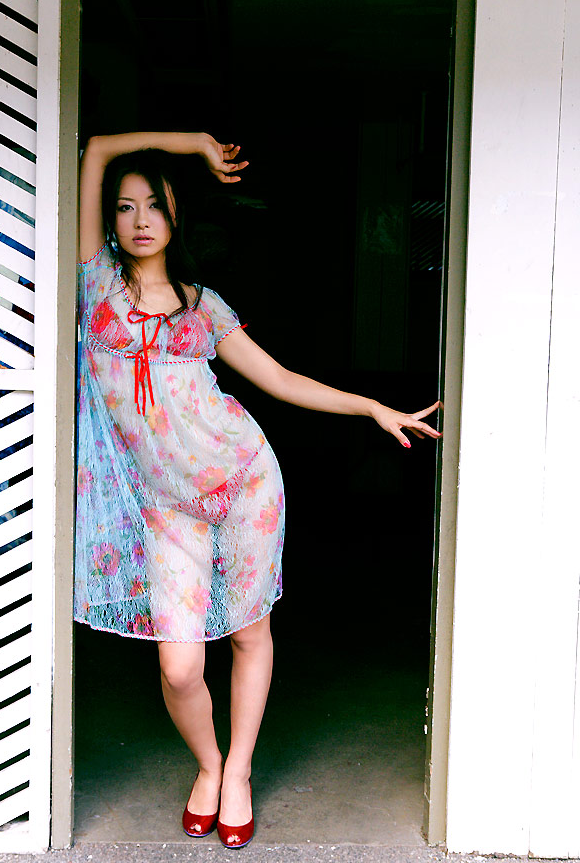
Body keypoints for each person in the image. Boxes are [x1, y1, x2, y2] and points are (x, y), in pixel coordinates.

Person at [72, 132, 439, 848]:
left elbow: (279, 380)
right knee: (180, 665)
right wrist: (192, 144)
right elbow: (95, 152)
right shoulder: (97, 287)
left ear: (177, 217)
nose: (140, 220)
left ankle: (235, 771)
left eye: (156, 205)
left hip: (244, 482)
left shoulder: (203, 307)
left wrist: (372, 407)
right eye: (126, 207)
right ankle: (207, 762)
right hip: (167, 508)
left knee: (248, 633)